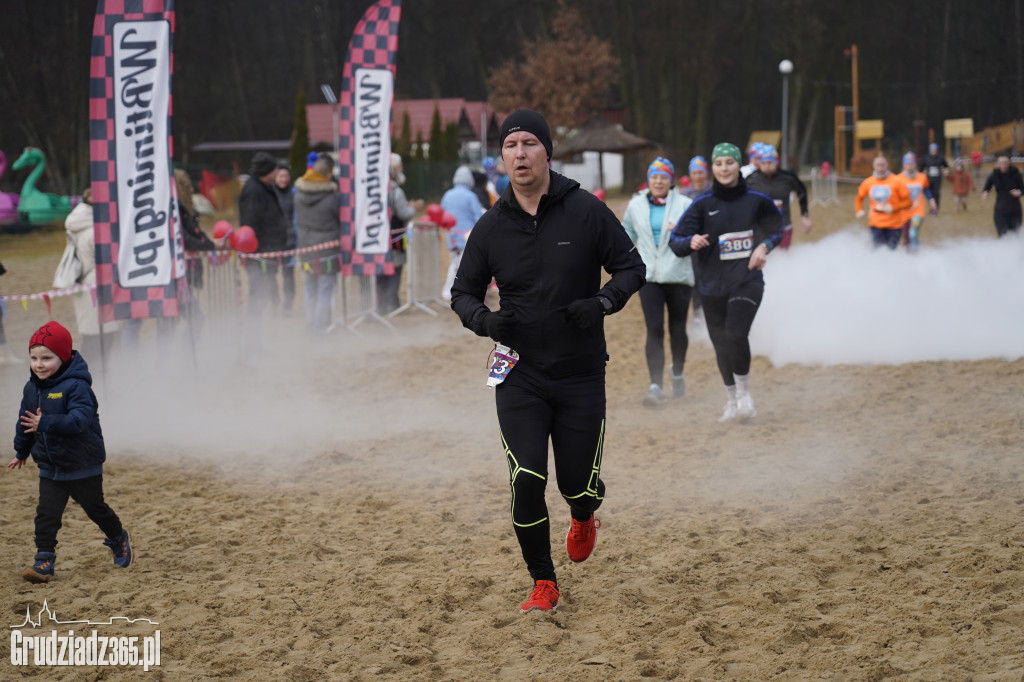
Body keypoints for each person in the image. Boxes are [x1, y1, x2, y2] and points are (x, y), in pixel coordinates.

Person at [450, 109, 645, 613]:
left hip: (580, 372)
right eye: (510, 144)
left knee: (576, 484)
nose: (519, 153)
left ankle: (584, 513)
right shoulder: (491, 226)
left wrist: (601, 303)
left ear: (547, 152)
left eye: (529, 143)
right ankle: (543, 582)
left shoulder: (585, 210)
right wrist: (487, 322)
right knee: (526, 479)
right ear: (501, 156)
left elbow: (631, 267)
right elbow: (463, 293)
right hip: (520, 374)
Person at [8, 321, 132, 583]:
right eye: (34, 358)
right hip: (50, 466)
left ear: (63, 358)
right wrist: (21, 451)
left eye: (46, 358)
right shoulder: (31, 388)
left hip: (82, 463)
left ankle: (118, 537)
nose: (39, 364)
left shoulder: (77, 387)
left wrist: (47, 423)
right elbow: (26, 421)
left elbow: (79, 421)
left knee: (95, 508)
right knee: (46, 514)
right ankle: (44, 560)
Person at [669, 142, 782, 422]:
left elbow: (776, 228)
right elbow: (676, 242)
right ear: (713, 168)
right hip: (710, 286)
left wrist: (764, 246)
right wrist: (690, 241)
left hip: (747, 280)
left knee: (735, 334)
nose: (724, 169)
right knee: (721, 344)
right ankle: (731, 400)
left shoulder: (756, 200)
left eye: (729, 163)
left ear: (738, 165)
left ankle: (745, 395)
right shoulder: (703, 204)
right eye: (718, 164)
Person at [622, 157, 694, 406]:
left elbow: (695, 236)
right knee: (654, 329)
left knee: (677, 329)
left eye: (664, 177)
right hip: (648, 276)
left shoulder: (685, 204)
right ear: (648, 179)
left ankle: (678, 373)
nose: (659, 181)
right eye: (654, 177)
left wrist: (682, 231)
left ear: (671, 180)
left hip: (678, 274)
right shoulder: (636, 205)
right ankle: (655, 385)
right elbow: (626, 235)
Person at [238, 152, 290, 332]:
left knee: (263, 299)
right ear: (266, 171)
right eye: (275, 169)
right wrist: (259, 252)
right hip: (259, 256)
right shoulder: (254, 191)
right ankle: (252, 345)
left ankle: (257, 344)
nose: (278, 172)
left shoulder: (263, 187)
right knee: (257, 299)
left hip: (268, 254)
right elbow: (250, 225)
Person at [294, 155, 341, 334]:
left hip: (306, 248)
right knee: (324, 292)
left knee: (310, 290)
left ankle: (311, 326)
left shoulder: (298, 194)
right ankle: (319, 330)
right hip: (327, 250)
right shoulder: (332, 197)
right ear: (328, 174)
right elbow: (340, 218)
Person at [377, 153, 423, 314]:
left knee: (380, 274)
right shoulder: (396, 191)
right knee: (394, 273)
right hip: (394, 240)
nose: (402, 169)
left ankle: (381, 305)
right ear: (394, 169)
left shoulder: (375, 189)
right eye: (400, 166)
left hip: (377, 239)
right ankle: (391, 305)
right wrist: (414, 208)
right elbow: (404, 214)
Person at [745, 145, 812, 250]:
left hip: (783, 227)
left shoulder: (788, 177)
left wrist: (805, 215)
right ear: (759, 164)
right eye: (763, 163)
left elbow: (802, 192)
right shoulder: (751, 179)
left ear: (776, 162)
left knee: (782, 258)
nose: (766, 166)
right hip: (760, 228)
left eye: (770, 162)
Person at [440, 166, 484, 302]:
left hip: (452, 237)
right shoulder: (471, 196)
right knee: (466, 267)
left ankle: (452, 291)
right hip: (468, 237)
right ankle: (452, 291)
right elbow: (479, 218)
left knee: (455, 264)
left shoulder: (447, 195)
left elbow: (441, 215)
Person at [854, 154, 912, 250]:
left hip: (894, 225)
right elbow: (859, 198)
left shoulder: (897, 181)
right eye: (878, 165)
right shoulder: (868, 182)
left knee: (890, 251)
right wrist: (859, 210)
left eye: (883, 165)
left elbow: (909, 202)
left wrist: (893, 208)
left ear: (887, 165)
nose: (880, 168)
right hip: (875, 224)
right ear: (873, 165)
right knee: (878, 250)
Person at [897, 152, 936, 253]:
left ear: (915, 165)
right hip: (904, 212)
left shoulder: (922, 177)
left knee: (913, 232)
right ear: (903, 165)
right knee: (905, 235)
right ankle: (905, 252)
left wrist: (931, 200)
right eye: (907, 164)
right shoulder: (898, 179)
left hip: (918, 211)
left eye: (912, 164)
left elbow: (926, 189)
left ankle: (916, 255)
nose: (909, 166)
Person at [273, 162, 298, 315]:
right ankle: (274, 301)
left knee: (289, 275)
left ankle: (288, 304)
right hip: (273, 241)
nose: (284, 179)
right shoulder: (269, 193)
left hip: (289, 240)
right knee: (271, 275)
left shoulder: (294, 193)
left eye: (286, 176)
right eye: (281, 176)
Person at [981, 154, 1024, 237]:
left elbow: (1023, 189)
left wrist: (1019, 193)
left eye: (1005, 162)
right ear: (998, 163)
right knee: (1003, 236)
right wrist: (985, 192)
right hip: (1000, 212)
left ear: (1009, 162)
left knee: (1014, 236)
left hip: (1015, 212)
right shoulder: (994, 175)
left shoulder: (1017, 175)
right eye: (1001, 162)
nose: (1003, 164)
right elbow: (987, 187)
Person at [919, 142, 949, 211]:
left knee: (936, 193)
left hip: (937, 179)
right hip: (928, 178)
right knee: (930, 194)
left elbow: (946, 166)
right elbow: (921, 168)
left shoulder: (940, 158)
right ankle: (931, 207)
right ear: (929, 150)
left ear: (937, 150)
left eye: (935, 150)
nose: (933, 151)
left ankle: (936, 208)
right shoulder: (926, 158)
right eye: (932, 150)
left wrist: (946, 170)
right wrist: (921, 175)